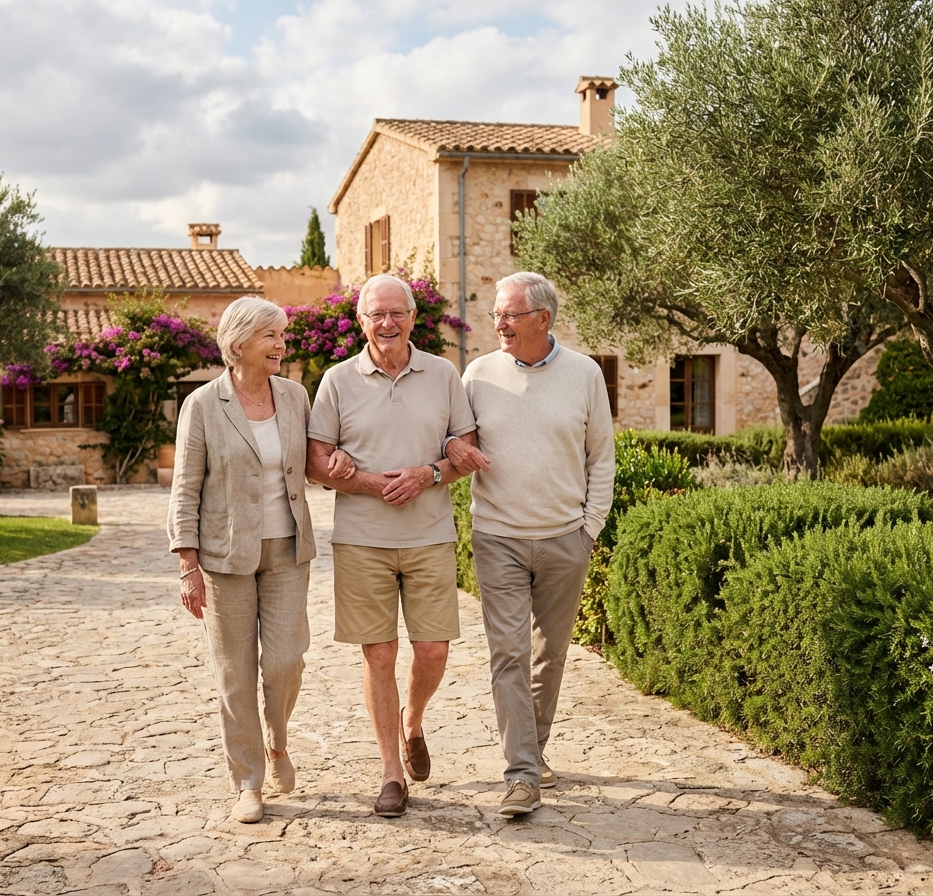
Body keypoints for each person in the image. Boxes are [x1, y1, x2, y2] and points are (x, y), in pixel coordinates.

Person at [306, 273, 489, 818]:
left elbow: (466, 449)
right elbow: (317, 461)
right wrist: (364, 481)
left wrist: (427, 475)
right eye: (375, 314)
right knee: (379, 652)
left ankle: (413, 721)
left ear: (413, 317)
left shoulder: (443, 374)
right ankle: (390, 772)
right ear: (360, 321)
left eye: (397, 312)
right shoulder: (336, 381)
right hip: (362, 540)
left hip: (430, 535)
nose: (387, 323)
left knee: (433, 649)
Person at [168, 296, 353, 824]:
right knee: (234, 673)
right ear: (239, 343)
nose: (281, 344)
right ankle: (248, 780)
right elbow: (185, 489)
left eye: (283, 334)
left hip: (289, 550)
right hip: (225, 557)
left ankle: (278, 740)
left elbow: (316, 461)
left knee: (286, 660)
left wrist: (337, 460)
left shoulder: (295, 397)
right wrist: (187, 564)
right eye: (272, 336)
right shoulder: (203, 405)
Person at [448, 271, 615, 817]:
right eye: (496, 313)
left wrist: (588, 528)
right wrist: (454, 444)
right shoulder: (477, 374)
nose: (498, 322)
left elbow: (601, 457)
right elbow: (453, 436)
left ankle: (532, 751)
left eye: (510, 314)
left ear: (543, 319)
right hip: (498, 538)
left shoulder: (585, 374)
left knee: (551, 655)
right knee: (509, 655)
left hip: (566, 539)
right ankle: (521, 774)